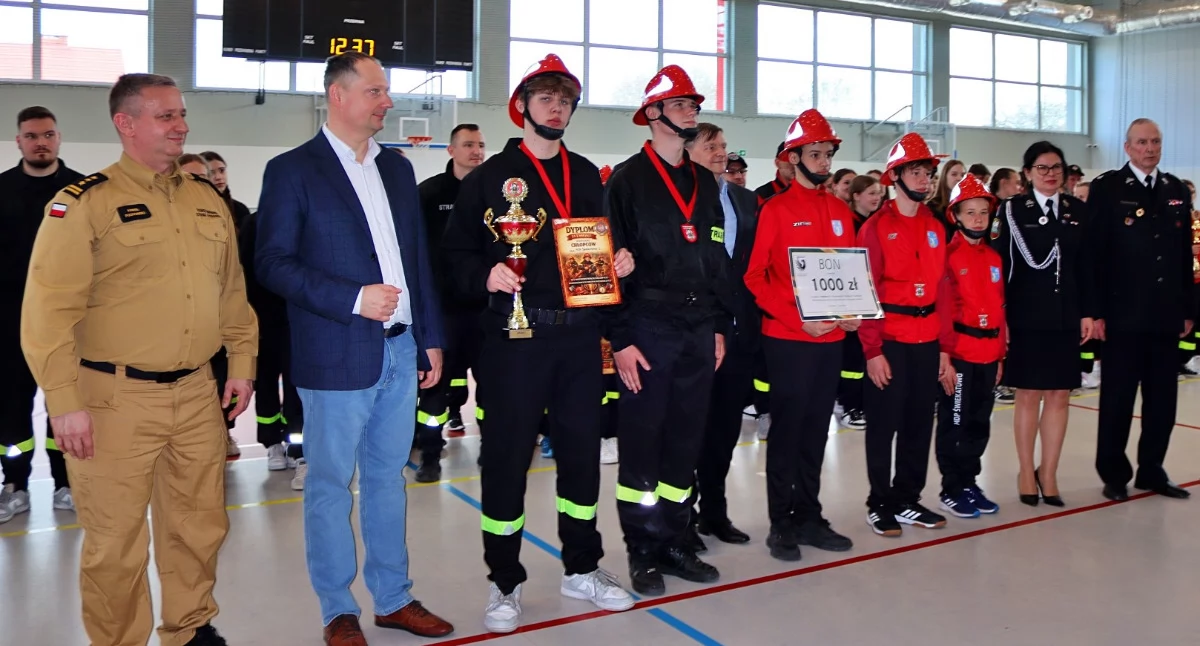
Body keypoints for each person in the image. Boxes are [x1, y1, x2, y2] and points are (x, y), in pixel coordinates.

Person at [21, 73, 258, 646]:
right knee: (115, 541)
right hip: (112, 399)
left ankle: (190, 626)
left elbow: (232, 292)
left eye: (181, 114)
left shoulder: (207, 201)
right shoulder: (84, 203)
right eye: (165, 116)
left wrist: (242, 362)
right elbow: (48, 310)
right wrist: (64, 401)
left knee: (197, 527)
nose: (181, 126)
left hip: (197, 393)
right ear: (125, 124)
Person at [254, 53, 454, 644]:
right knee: (329, 485)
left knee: (389, 478)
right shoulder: (292, 171)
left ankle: (393, 597)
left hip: (400, 348)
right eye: (375, 91)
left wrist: (430, 337)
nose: (386, 102)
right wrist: (351, 298)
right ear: (337, 96)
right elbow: (271, 263)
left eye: (385, 91)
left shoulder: (395, 170)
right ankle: (337, 610)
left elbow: (417, 259)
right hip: (336, 349)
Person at [443, 53, 636, 633]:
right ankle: (504, 581)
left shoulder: (586, 176)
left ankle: (582, 568)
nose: (558, 107)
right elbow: (453, 256)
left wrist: (618, 265)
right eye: (546, 97)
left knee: (580, 460)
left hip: (579, 342)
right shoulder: (486, 179)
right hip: (514, 341)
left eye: (566, 99)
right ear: (522, 106)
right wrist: (486, 275)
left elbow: (597, 251)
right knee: (505, 461)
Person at [606, 64, 734, 596]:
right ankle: (642, 548)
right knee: (643, 439)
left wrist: (720, 324)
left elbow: (716, 256)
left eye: (694, 105)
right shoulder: (626, 181)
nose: (691, 112)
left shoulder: (706, 183)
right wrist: (621, 338)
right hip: (648, 326)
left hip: (699, 327)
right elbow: (607, 265)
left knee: (686, 438)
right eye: (681, 104)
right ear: (654, 113)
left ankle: (677, 539)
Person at [744, 109, 857, 561]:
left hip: (830, 340)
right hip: (789, 339)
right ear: (793, 158)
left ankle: (810, 515)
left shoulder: (839, 211)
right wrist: (796, 320)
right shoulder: (775, 209)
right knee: (788, 433)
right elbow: (755, 278)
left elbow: (848, 274)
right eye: (816, 152)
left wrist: (853, 313)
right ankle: (780, 523)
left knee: (816, 432)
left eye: (828, 152)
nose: (825, 160)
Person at [1088, 118, 1193, 502]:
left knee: (1162, 401)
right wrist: (1095, 311)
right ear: (1128, 147)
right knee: (1117, 400)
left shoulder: (1176, 190)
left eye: (1156, 142)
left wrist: (1188, 310)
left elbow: (1184, 257)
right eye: (1143, 142)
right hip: (1122, 317)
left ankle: (1152, 470)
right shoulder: (1108, 189)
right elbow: (1094, 255)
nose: (1150, 148)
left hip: (1165, 318)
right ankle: (1114, 474)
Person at [857, 132, 947, 537]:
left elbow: (944, 288)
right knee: (883, 425)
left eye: (928, 171)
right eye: (916, 171)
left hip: (927, 339)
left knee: (917, 424)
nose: (925, 179)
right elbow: (867, 291)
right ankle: (879, 503)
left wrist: (945, 348)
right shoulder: (875, 228)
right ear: (896, 176)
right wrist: (872, 350)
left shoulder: (935, 226)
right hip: (890, 339)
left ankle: (908, 497)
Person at [994, 141, 1091, 508]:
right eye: (1042, 168)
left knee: (1059, 395)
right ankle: (1024, 470)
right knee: (1028, 395)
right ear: (1028, 173)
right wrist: (1001, 316)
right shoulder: (1012, 211)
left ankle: (1048, 472)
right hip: (1026, 316)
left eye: (1056, 167)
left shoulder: (1078, 210)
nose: (1051, 174)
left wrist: (1088, 311)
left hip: (1067, 315)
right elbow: (1000, 267)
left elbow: (1087, 266)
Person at [0, 106, 83, 524]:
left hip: (69, 328)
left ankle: (67, 483)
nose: (40, 143)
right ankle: (13, 486)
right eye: (31, 136)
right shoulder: (1, 190)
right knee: (11, 410)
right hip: (10, 326)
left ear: (58, 138)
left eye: (48, 135)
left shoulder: (81, 190)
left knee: (66, 406)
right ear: (18, 142)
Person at [685, 123, 758, 547]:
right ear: (689, 151)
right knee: (690, 428)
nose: (720, 153)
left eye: (724, 146)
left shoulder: (745, 202)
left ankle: (715, 510)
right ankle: (684, 515)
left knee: (725, 428)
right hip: (695, 331)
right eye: (711, 146)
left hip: (740, 332)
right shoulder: (680, 202)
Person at [413, 123, 486, 483]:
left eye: (481, 145)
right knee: (435, 389)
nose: (476, 151)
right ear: (451, 150)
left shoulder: (497, 193)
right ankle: (429, 454)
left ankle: (492, 447)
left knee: (492, 384)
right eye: (468, 144)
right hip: (442, 312)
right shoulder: (428, 194)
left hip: (486, 309)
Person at [934, 174, 1006, 519]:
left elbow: (999, 308)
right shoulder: (947, 257)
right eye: (970, 212)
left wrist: (1001, 353)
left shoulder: (994, 259)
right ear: (956, 216)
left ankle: (969, 482)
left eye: (983, 212)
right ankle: (951, 486)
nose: (978, 218)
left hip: (989, 355)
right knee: (955, 423)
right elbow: (943, 310)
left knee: (980, 424)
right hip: (961, 355)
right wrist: (944, 358)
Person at [237, 191, 305, 485]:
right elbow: (244, 273)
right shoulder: (253, 224)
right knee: (265, 382)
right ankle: (272, 443)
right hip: (262, 320)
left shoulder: (304, 223)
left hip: (296, 320)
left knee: (296, 385)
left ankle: (299, 449)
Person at [835, 174, 884, 431]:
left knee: (871, 355)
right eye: (871, 193)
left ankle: (867, 401)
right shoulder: (846, 223)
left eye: (879, 193)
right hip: (852, 299)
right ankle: (849, 405)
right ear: (856, 196)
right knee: (853, 359)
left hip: (874, 298)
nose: (877, 198)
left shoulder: (879, 225)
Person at [198, 151, 251, 231]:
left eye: (222, 170)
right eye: (211, 173)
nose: (218, 177)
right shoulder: (193, 208)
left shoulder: (240, 209)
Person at [929, 159, 966, 242]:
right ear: (944, 177)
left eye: (963, 175)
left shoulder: (966, 207)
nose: (959, 178)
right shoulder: (934, 206)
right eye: (954, 174)